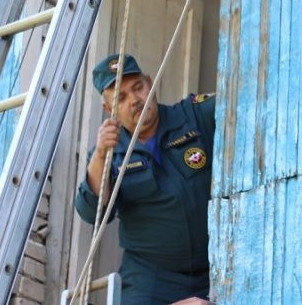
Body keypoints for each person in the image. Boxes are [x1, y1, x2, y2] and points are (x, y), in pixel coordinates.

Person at [74, 53, 216, 304]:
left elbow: (242, 98)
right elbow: (91, 212)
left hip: (215, 264)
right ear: (109, 109)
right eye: (121, 97)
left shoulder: (192, 116)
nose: (135, 100)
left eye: (138, 88)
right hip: (151, 277)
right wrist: (100, 154)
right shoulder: (110, 154)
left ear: (150, 83)